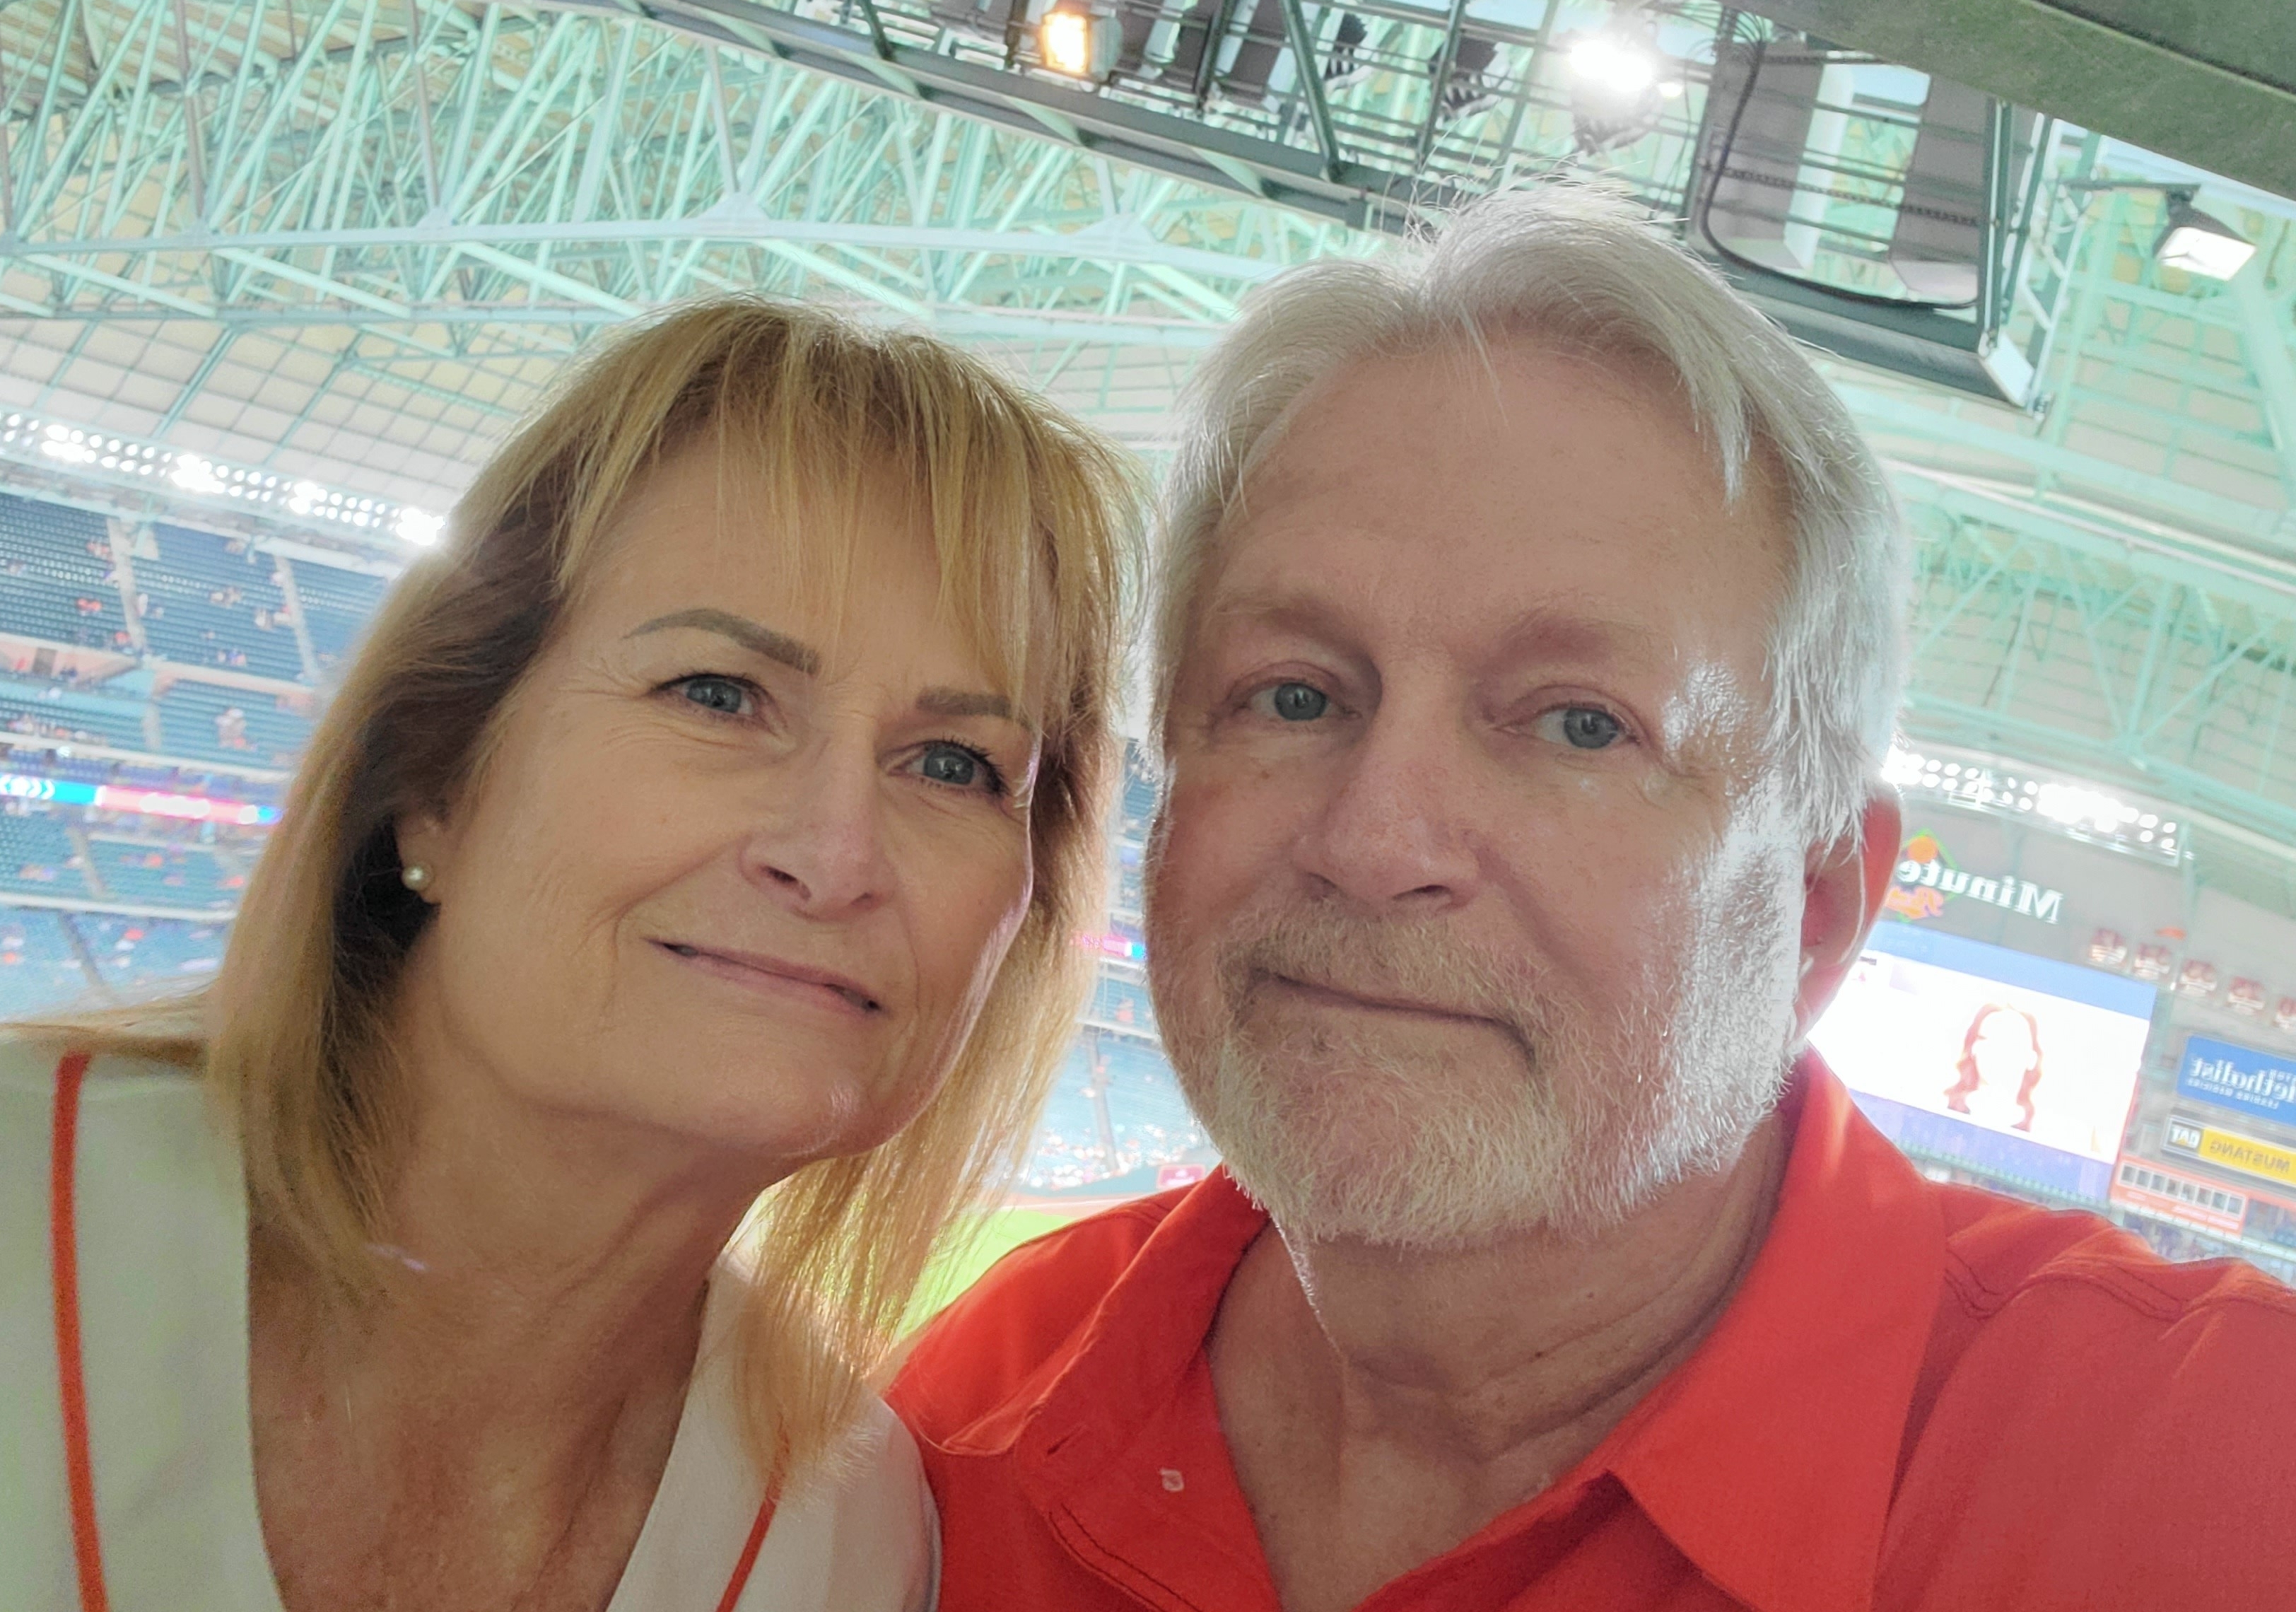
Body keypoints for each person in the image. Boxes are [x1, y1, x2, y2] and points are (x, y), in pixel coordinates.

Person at [894, 187, 2296, 1610]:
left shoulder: (2218, 1475)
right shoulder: (961, 1429)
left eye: (1579, 725)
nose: (1374, 841)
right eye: (1293, 694)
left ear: (1814, 911)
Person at [0, 297, 1140, 1611]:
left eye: (954, 764)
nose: (834, 854)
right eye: (717, 692)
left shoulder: (858, 1540)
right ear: (436, 778)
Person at [1945, 999, 2044, 1132]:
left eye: (2011, 1041)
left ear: (2031, 1059)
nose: (1997, 1050)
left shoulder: (2041, 1132)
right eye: (1988, 1038)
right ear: (1975, 1048)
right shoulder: (1942, 1108)